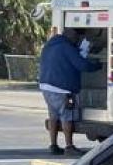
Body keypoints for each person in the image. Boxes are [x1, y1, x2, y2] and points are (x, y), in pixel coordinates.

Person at [37, 27, 102, 155]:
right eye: (77, 37)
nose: (77, 40)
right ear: (71, 35)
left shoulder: (50, 44)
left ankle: (53, 145)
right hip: (62, 88)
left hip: (46, 86)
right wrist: (97, 66)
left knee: (53, 116)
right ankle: (69, 146)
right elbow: (81, 65)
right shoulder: (67, 47)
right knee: (67, 117)